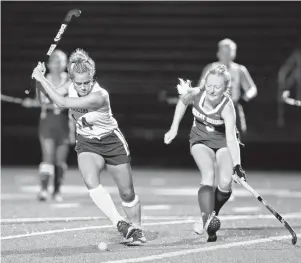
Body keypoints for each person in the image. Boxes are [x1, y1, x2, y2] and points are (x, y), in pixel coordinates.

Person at [30, 49, 146, 246]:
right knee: (91, 181)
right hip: (86, 142)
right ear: (72, 80)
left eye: (86, 83)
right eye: (78, 83)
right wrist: (38, 79)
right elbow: (50, 99)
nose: (83, 87)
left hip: (111, 141)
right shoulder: (70, 85)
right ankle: (120, 224)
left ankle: (137, 228)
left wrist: (41, 79)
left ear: (92, 78)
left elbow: (62, 102)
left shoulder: (100, 95)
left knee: (127, 193)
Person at [164, 64, 246, 242]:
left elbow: (231, 138)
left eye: (217, 86)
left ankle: (210, 214)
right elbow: (182, 102)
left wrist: (237, 165)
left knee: (225, 184)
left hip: (222, 141)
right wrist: (174, 128)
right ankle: (207, 220)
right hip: (199, 140)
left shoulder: (227, 106)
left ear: (225, 88)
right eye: (209, 85)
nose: (212, 89)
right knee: (208, 174)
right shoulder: (197, 94)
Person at [22, 50, 75, 202]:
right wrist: (31, 103)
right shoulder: (44, 79)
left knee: (60, 160)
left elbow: (70, 103)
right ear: (49, 64)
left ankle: (57, 191)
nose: (57, 64)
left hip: (65, 123)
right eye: (54, 61)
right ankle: (44, 189)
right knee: (48, 157)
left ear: (65, 64)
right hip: (47, 123)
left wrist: (48, 104)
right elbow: (40, 100)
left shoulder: (69, 80)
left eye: (60, 61)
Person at [199, 38, 257, 135]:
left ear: (233, 54)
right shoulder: (210, 68)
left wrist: (245, 98)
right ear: (218, 53)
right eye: (223, 52)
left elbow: (252, 88)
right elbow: (200, 88)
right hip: (214, 108)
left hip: (233, 107)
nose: (226, 56)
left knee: (236, 139)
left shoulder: (239, 69)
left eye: (229, 52)